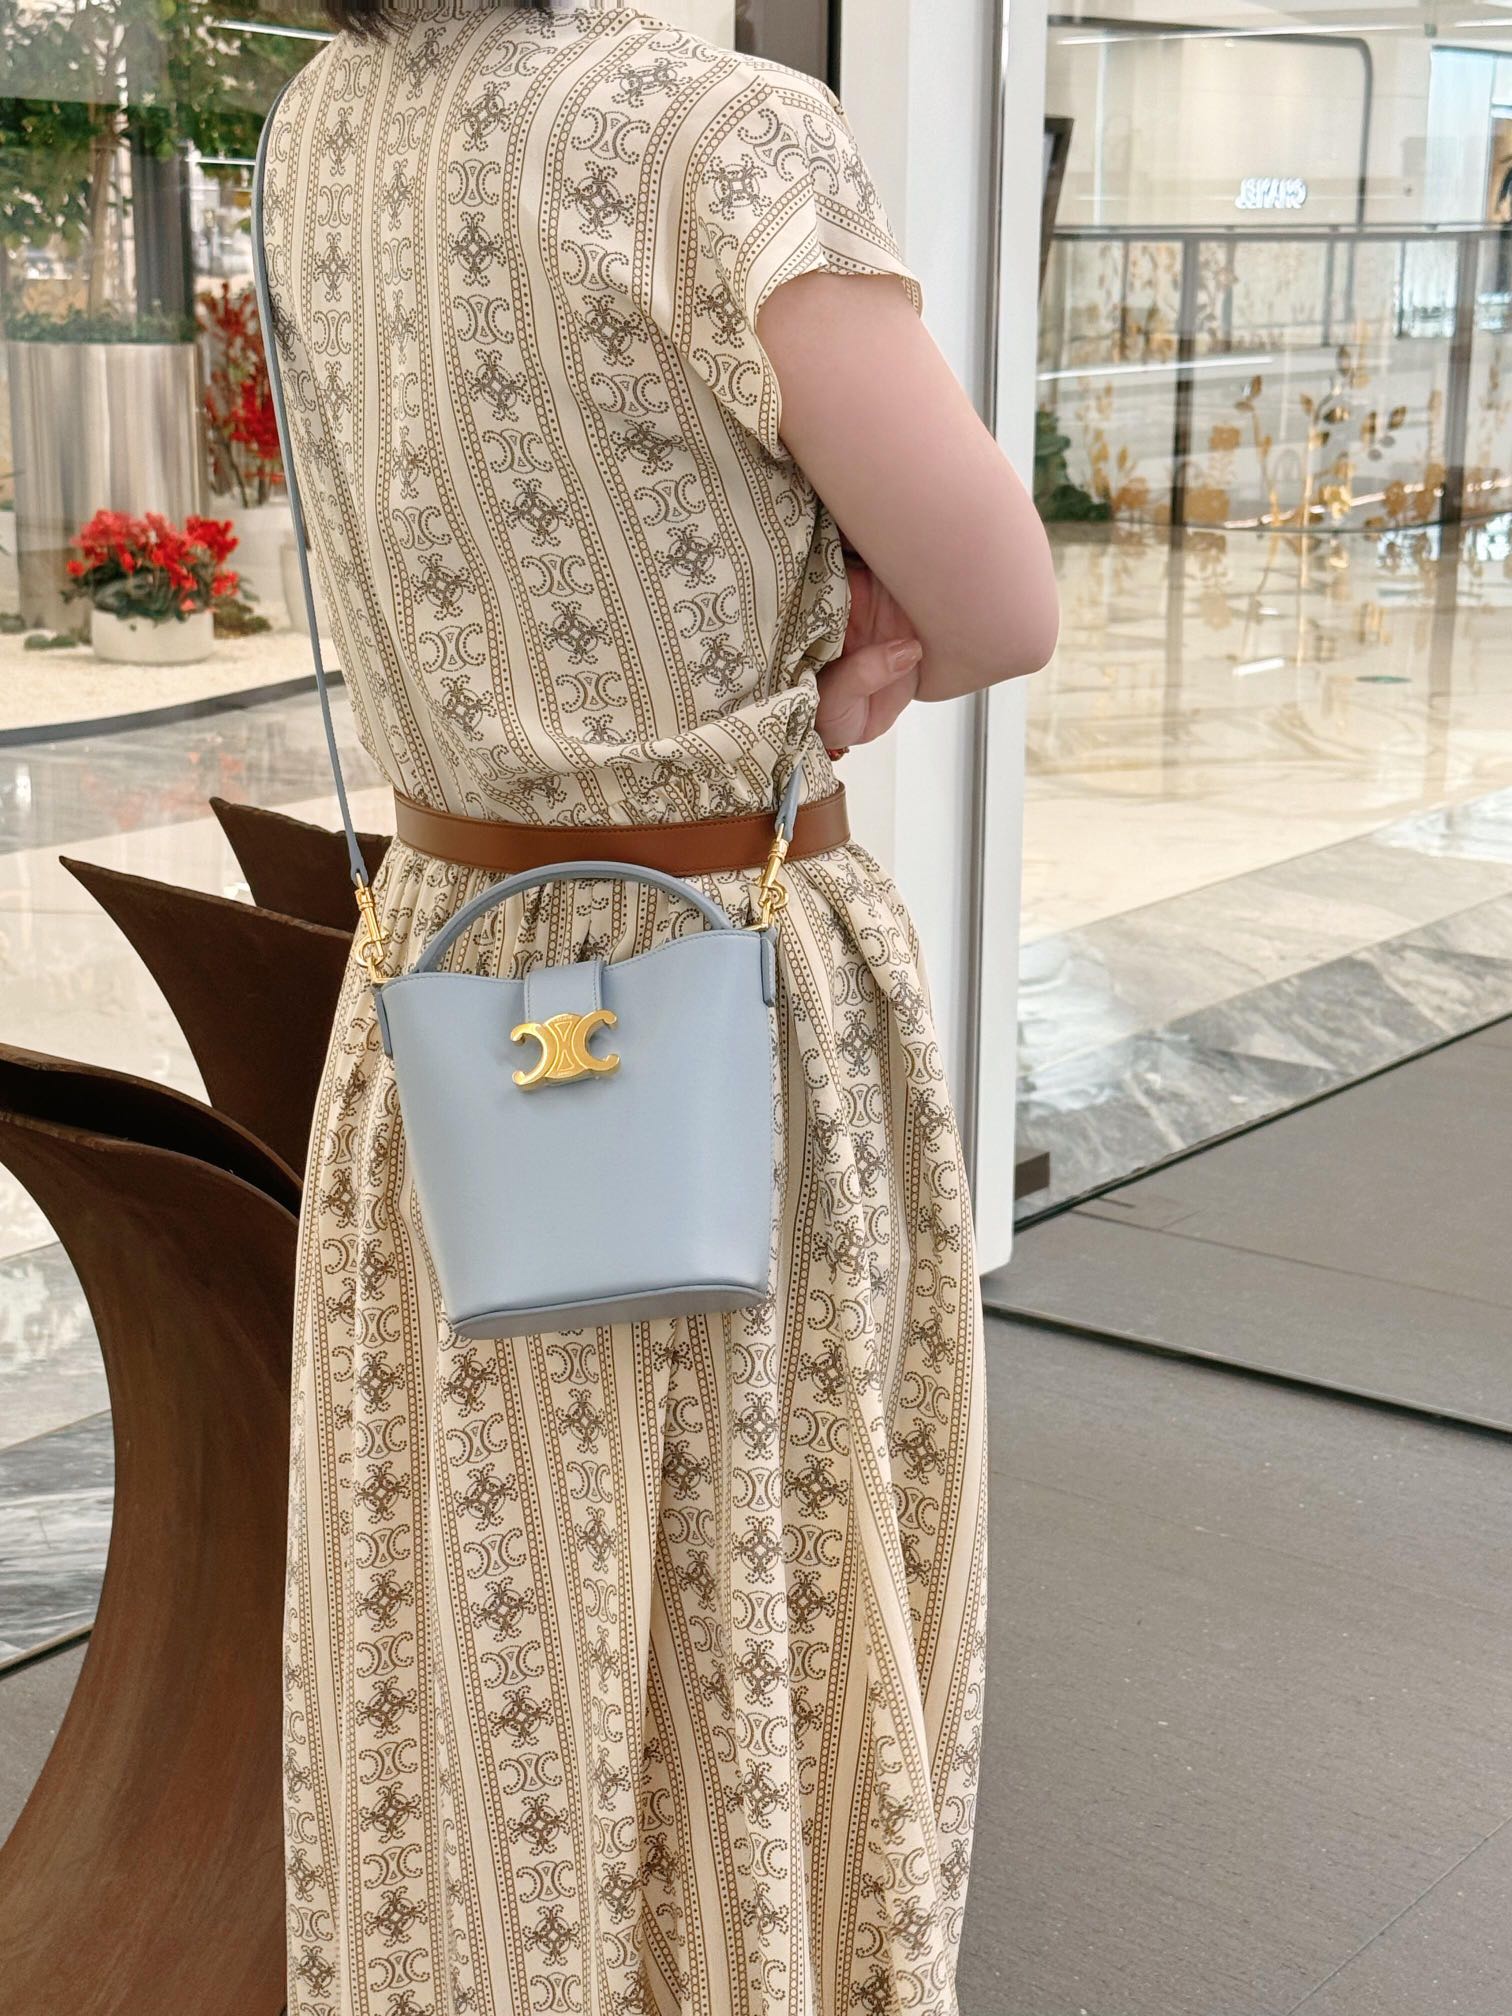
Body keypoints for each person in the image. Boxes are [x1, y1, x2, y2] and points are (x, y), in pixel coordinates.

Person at [263, 3, 1057, 2012]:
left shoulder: (314, 125)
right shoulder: (720, 137)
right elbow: (1005, 602)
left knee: (468, 1610)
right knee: (751, 1569)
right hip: (720, 981)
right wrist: (879, 616)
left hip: (447, 969)